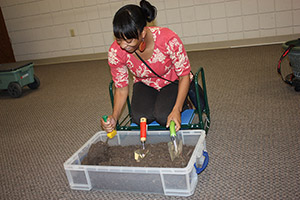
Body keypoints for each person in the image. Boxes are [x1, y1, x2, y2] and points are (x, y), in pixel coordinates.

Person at [101, 0, 191, 133]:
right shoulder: (116, 52)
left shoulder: (168, 39)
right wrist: (114, 117)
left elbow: (184, 76)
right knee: (139, 118)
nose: (123, 46)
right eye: (119, 40)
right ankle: (161, 102)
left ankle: (184, 102)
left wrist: (176, 109)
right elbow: (121, 89)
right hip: (145, 82)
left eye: (129, 40)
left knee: (163, 116)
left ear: (143, 33)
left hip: (172, 80)